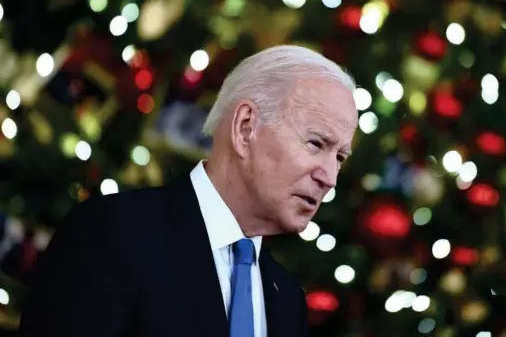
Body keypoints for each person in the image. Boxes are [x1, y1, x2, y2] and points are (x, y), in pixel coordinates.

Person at [18, 45, 358, 337]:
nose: (329, 177)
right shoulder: (114, 233)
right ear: (245, 127)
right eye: (316, 144)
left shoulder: (286, 302)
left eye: (340, 157)